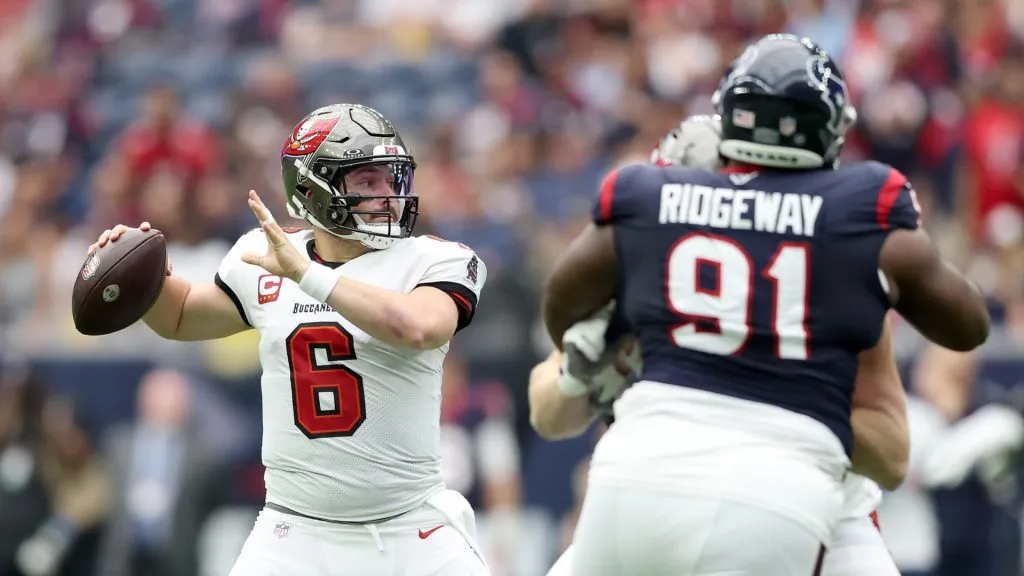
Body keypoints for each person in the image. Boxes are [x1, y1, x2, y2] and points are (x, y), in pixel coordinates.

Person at [541, 34, 990, 575]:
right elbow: (968, 325)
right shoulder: (854, 225)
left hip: (635, 471)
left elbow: (559, 308)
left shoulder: (650, 200)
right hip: (780, 492)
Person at [87, 103, 490, 575]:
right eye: (366, 181)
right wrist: (137, 269)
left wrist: (308, 275)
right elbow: (178, 318)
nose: (387, 195)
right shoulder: (265, 256)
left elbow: (418, 327)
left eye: (391, 178)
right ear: (310, 189)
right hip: (295, 532)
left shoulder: (434, 260)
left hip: (410, 528)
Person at [532, 115, 907, 576]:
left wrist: (781, 391)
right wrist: (580, 374)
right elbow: (547, 414)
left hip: (811, 511)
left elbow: (891, 455)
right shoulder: (635, 263)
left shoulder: (828, 278)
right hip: (656, 493)